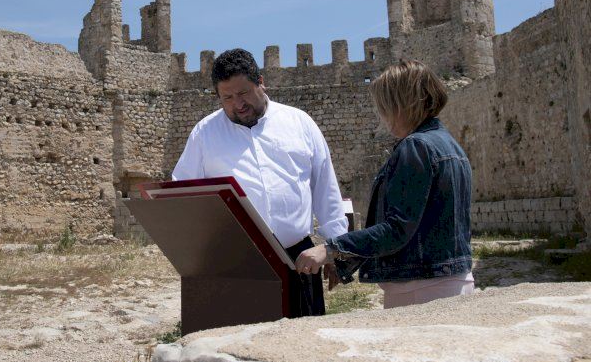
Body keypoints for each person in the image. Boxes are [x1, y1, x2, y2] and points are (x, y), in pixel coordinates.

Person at [172, 48, 348, 316]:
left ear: (261, 82)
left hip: (298, 260)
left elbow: (325, 189)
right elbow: (182, 195)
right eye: (227, 97)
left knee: (303, 340)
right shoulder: (204, 134)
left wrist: (335, 248)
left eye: (243, 93)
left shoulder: (299, 123)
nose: (238, 104)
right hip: (234, 265)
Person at [295, 60, 475, 308]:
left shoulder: (416, 147)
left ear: (402, 104)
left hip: (420, 287)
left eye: (384, 106)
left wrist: (330, 249)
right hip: (453, 278)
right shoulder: (449, 145)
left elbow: (397, 229)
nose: (382, 115)